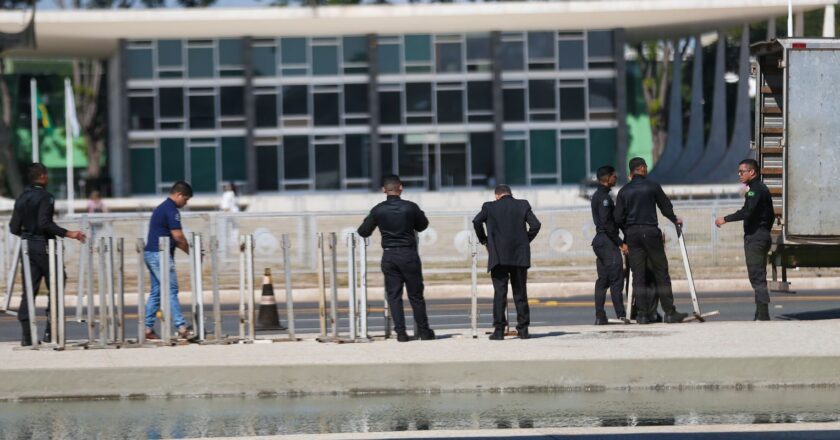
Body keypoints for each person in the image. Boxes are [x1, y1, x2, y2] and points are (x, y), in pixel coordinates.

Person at [9, 163, 86, 346]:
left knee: (29, 289)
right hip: (44, 247)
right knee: (58, 282)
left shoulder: (21, 198)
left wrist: (29, 237)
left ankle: (27, 337)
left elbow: (13, 228)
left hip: (26, 247)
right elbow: (45, 223)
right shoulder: (46, 197)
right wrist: (70, 233)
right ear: (42, 176)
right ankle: (51, 331)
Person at [357, 174, 435, 342]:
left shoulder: (378, 209)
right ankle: (424, 331)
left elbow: (363, 231)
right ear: (401, 188)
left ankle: (401, 333)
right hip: (408, 254)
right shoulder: (411, 207)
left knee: (394, 295)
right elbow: (423, 225)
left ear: (384, 190)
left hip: (389, 255)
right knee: (416, 295)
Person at [614, 157, 688, 324]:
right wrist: (674, 219)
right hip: (650, 231)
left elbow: (618, 217)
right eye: (645, 167)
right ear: (641, 168)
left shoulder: (624, 191)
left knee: (638, 275)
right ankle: (669, 311)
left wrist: (628, 230)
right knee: (661, 271)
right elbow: (665, 207)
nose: (647, 169)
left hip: (632, 234)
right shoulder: (652, 186)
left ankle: (642, 314)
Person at [472, 184, 541, 340]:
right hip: (519, 256)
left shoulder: (489, 207)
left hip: (498, 256)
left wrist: (485, 241)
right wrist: (525, 240)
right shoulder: (523, 204)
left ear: (497, 195)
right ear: (510, 193)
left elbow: (476, 222)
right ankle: (523, 330)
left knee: (500, 293)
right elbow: (536, 225)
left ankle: (499, 331)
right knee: (520, 293)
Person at [715, 159, 776, 321]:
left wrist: (725, 219)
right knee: (757, 274)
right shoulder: (757, 189)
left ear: (752, 172)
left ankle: (763, 314)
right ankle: (760, 312)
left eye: (742, 172)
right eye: (739, 172)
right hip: (759, 235)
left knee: (757, 275)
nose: (739, 175)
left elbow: (747, 212)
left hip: (756, 237)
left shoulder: (755, 190)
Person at [143, 181, 193, 340]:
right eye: (185, 199)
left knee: (157, 292)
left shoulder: (162, 207)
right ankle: (181, 326)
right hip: (160, 255)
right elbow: (178, 236)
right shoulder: (172, 210)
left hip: (151, 253)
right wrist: (192, 252)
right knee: (171, 290)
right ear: (179, 195)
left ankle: (147, 328)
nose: (185, 203)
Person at [590, 166, 627, 325]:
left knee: (603, 280)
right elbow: (607, 223)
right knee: (616, 279)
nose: (615, 178)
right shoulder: (604, 198)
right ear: (607, 178)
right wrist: (620, 243)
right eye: (614, 176)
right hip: (607, 242)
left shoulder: (597, 195)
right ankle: (621, 315)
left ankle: (600, 316)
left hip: (600, 241)